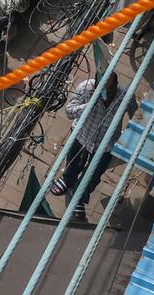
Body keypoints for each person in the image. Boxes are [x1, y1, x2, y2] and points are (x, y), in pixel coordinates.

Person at [50, 75, 136, 222]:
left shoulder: (125, 95)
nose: (106, 95)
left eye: (110, 91)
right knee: (74, 162)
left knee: (94, 174)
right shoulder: (85, 87)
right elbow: (69, 111)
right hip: (82, 134)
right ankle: (68, 179)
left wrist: (128, 136)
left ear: (116, 86)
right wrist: (89, 105)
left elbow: (136, 115)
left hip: (106, 143)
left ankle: (79, 196)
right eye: (102, 90)